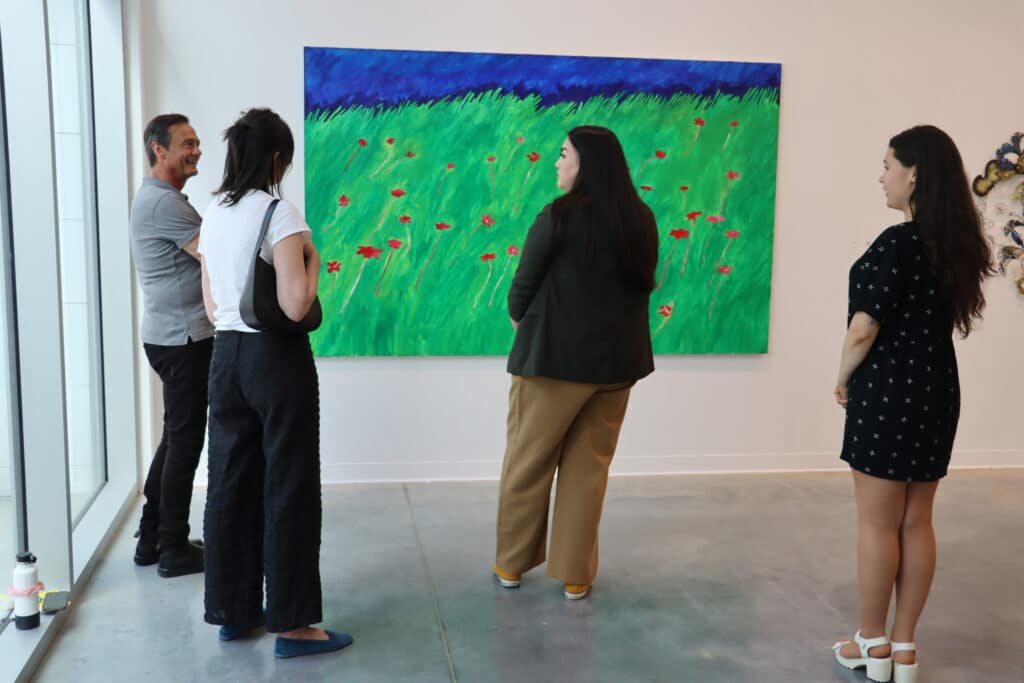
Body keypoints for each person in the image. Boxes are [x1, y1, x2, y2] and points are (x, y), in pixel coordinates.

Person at [832, 125, 993, 683]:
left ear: (914, 173)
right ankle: (904, 648)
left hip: (887, 393)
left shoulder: (895, 243)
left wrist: (842, 377)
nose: (881, 176)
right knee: (917, 521)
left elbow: (863, 328)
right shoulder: (956, 246)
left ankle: (871, 645)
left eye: (886, 165)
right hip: (935, 392)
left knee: (876, 524)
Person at [198, 108, 350, 658]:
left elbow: (213, 304)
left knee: (230, 481)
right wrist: (314, 261)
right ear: (277, 158)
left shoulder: (213, 211)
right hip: (275, 359)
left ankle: (232, 612)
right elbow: (296, 302)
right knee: (288, 483)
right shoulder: (279, 214)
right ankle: (293, 625)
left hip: (226, 358)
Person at [492, 125, 659, 600]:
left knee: (527, 463)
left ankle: (511, 564)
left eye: (563, 154)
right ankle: (575, 576)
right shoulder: (640, 218)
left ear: (585, 162)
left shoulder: (558, 217)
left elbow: (521, 287)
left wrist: (520, 317)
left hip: (552, 363)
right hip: (616, 367)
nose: (557, 162)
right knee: (588, 472)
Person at [129, 113, 210, 578]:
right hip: (183, 340)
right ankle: (173, 547)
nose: (196, 150)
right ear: (159, 149)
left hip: (168, 337)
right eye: (187, 143)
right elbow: (213, 254)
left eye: (197, 142)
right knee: (184, 442)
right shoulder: (166, 205)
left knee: (175, 438)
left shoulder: (158, 199)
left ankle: (151, 539)